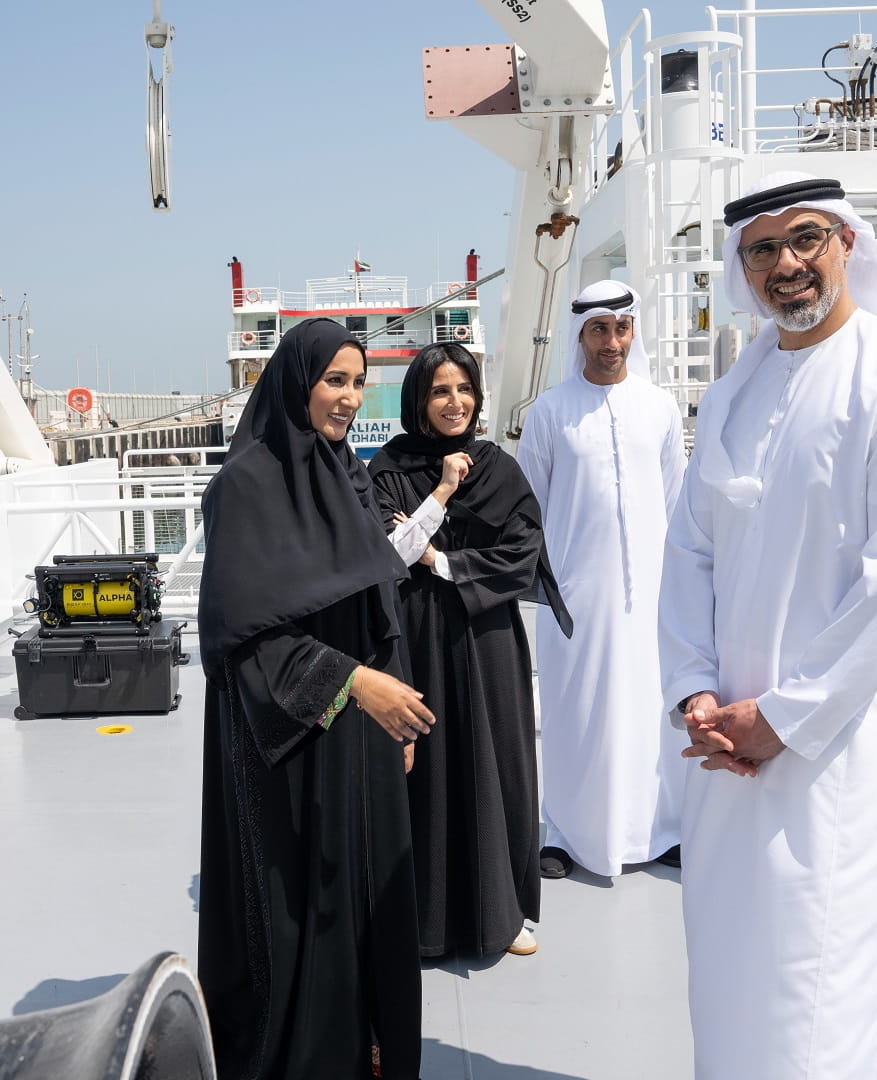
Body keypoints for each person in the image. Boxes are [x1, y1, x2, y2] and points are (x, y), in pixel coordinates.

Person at [657, 172, 877, 1079]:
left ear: (846, 242)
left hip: (841, 754)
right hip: (723, 749)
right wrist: (694, 691)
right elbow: (689, 553)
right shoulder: (732, 394)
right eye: (762, 249)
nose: (786, 264)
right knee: (732, 983)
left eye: (805, 238)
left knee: (821, 991)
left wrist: (783, 719)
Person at [195, 318, 429, 1080]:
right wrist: (355, 685)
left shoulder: (349, 475)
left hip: (366, 730)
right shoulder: (244, 488)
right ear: (296, 384)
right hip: (289, 740)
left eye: (359, 382)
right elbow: (243, 640)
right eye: (335, 380)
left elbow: (377, 598)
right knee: (299, 904)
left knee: (366, 894)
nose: (351, 397)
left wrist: (397, 714)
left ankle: (364, 1049)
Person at [368, 342, 572, 959]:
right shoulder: (389, 467)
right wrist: (442, 491)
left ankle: (499, 914)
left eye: (464, 389)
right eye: (439, 391)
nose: (454, 402)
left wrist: (441, 559)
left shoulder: (500, 469)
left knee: (495, 764)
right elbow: (390, 554)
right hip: (417, 637)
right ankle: (422, 921)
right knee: (425, 769)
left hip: (486, 640)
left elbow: (521, 555)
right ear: (418, 400)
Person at [516, 281, 687, 879]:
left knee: (650, 711)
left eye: (621, 328)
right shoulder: (549, 412)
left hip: (653, 595)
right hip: (576, 599)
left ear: (633, 331)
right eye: (599, 330)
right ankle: (567, 834)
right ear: (581, 335)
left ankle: (660, 830)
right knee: (576, 713)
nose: (611, 341)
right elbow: (527, 512)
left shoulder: (660, 408)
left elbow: (677, 504)